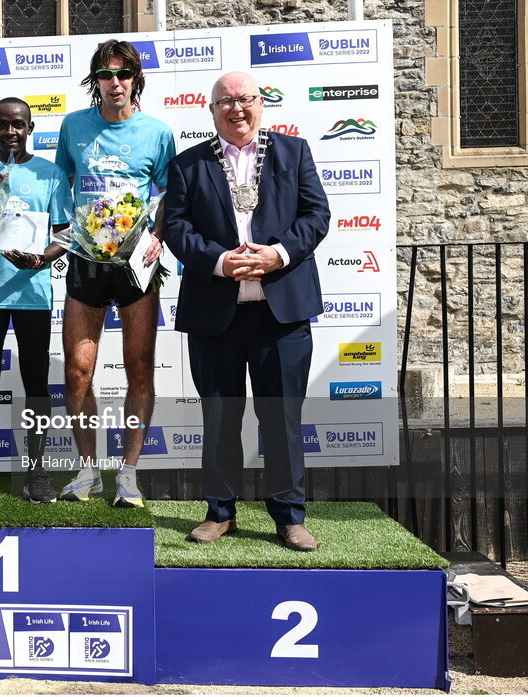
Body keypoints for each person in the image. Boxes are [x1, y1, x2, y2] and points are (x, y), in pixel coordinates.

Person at [164, 71, 330, 551]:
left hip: (281, 315)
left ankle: (289, 516)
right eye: (225, 101)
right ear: (211, 110)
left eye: (245, 99)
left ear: (260, 104)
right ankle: (220, 513)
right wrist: (220, 262)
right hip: (215, 316)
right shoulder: (188, 164)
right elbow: (176, 227)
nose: (236, 108)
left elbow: (316, 215)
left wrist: (278, 254)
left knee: (282, 420)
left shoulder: (293, 152)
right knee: (219, 419)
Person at [53, 39, 175, 508]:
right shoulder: (74, 126)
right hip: (86, 261)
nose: (115, 82)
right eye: (106, 74)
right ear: (96, 81)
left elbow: (169, 193)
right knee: (77, 371)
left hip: (135, 264)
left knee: (139, 367)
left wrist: (158, 235)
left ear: (135, 79)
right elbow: (59, 183)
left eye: (123, 74)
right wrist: (64, 232)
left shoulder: (157, 132)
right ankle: (88, 470)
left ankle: (128, 474)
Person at [0, 98, 72, 505]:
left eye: (18, 125)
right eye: (2, 125)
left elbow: (65, 235)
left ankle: (35, 472)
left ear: (30, 127)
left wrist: (40, 260)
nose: (10, 132)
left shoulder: (50, 173)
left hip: (32, 294)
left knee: (36, 384)